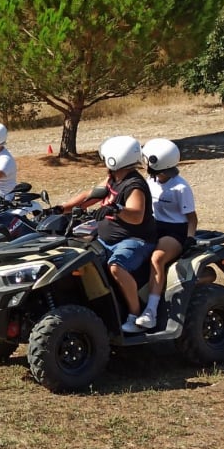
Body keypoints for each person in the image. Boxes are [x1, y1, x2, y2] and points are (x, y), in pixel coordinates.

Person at [60, 135, 158, 333]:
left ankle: (134, 314)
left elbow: (136, 215)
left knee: (116, 266)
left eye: (105, 158)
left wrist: (116, 209)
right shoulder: (114, 177)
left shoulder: (134, 185)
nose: (103, 161)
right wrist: (62, 208)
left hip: (134, 241)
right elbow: (91, 195)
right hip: (105, 240)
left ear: (115, 159)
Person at [134, 139, 198, 329]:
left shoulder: (181, 188)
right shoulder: (150, 181)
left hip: (175, 230)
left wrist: (189, 238)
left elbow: (192, 218)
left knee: (156, 259)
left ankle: (151, 311)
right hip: (154, 226)